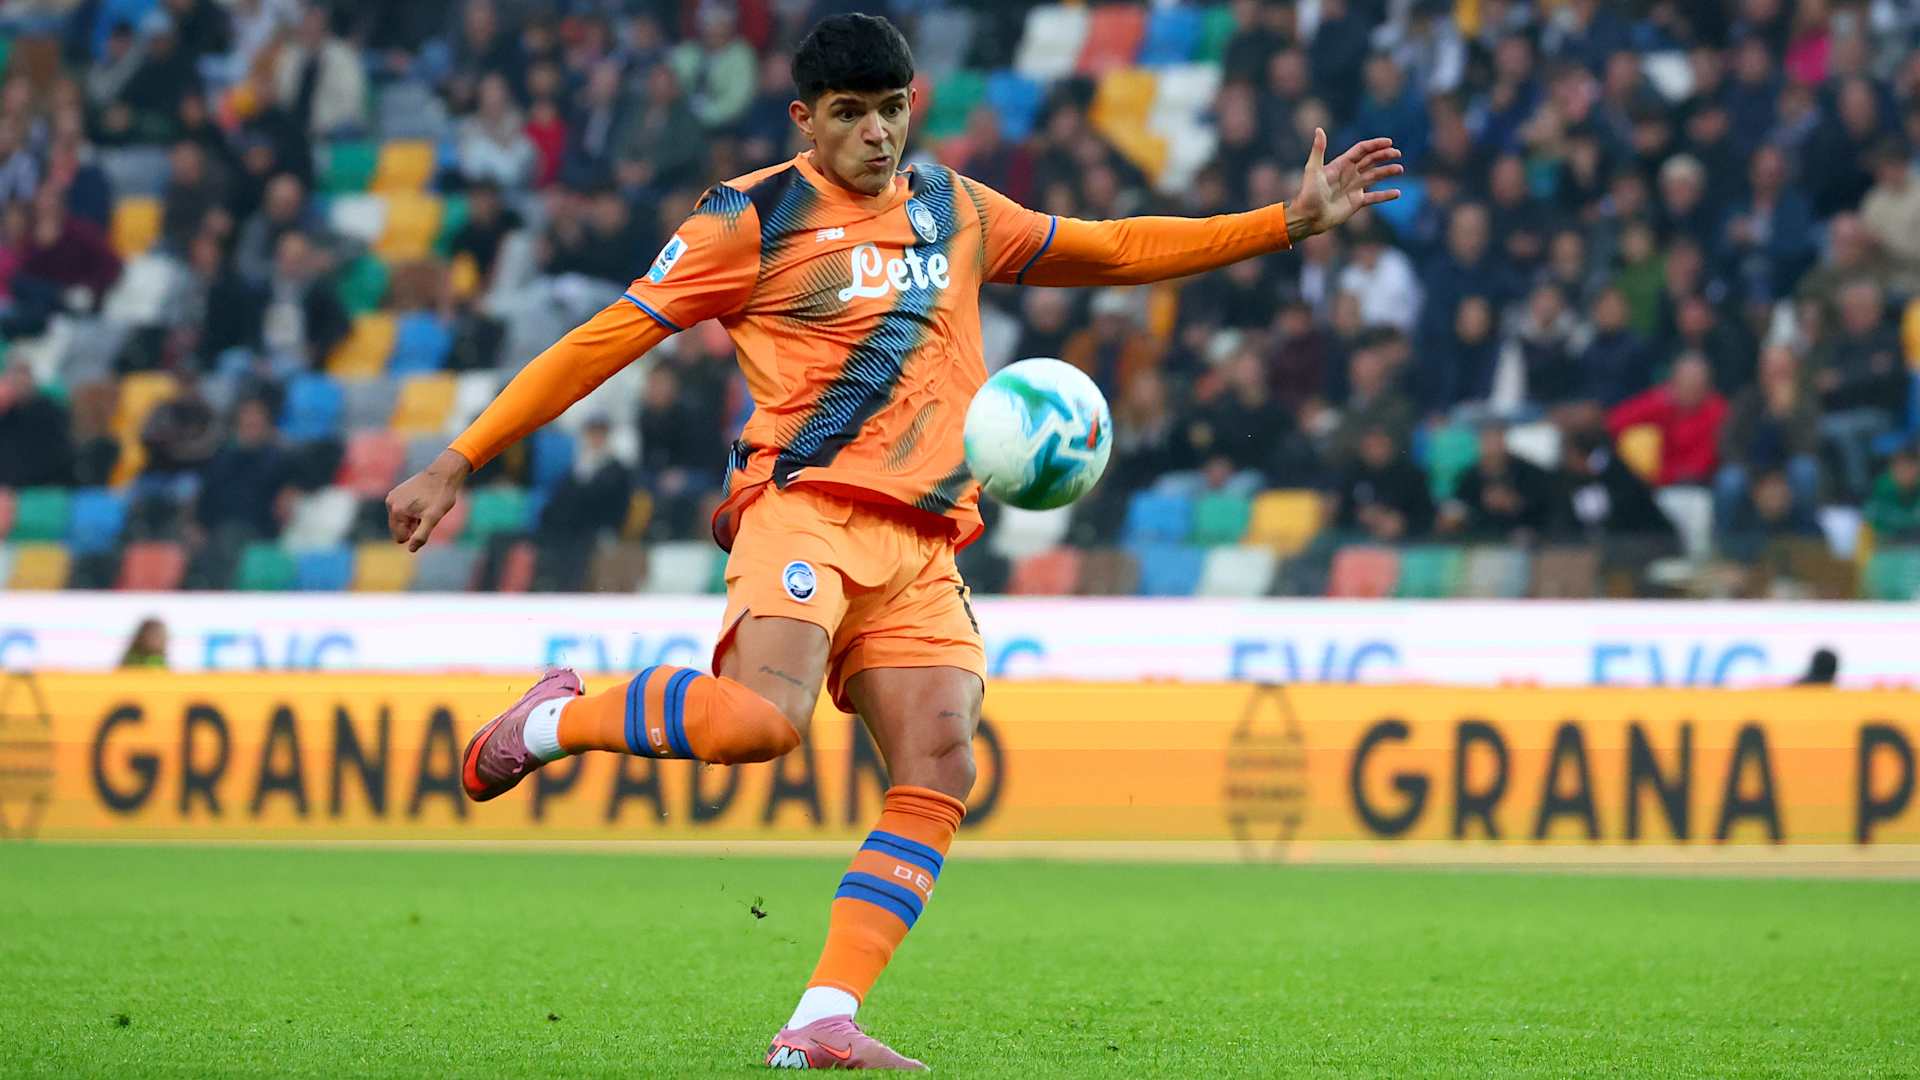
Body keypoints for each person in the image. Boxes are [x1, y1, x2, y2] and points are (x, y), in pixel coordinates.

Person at [383, 14, 1401, 1070]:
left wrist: (1285, 222)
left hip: (925, 544)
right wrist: (459, 458)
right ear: (804, 118)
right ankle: (554, 721)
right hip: (807, 509)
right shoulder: (748, 218)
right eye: (850, 114)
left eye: (892, 110)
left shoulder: (956, 207)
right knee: (760, 725)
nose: (877, 134)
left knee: (941, 768)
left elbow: (1110, 248)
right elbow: (603, 340)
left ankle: (822, 1016)